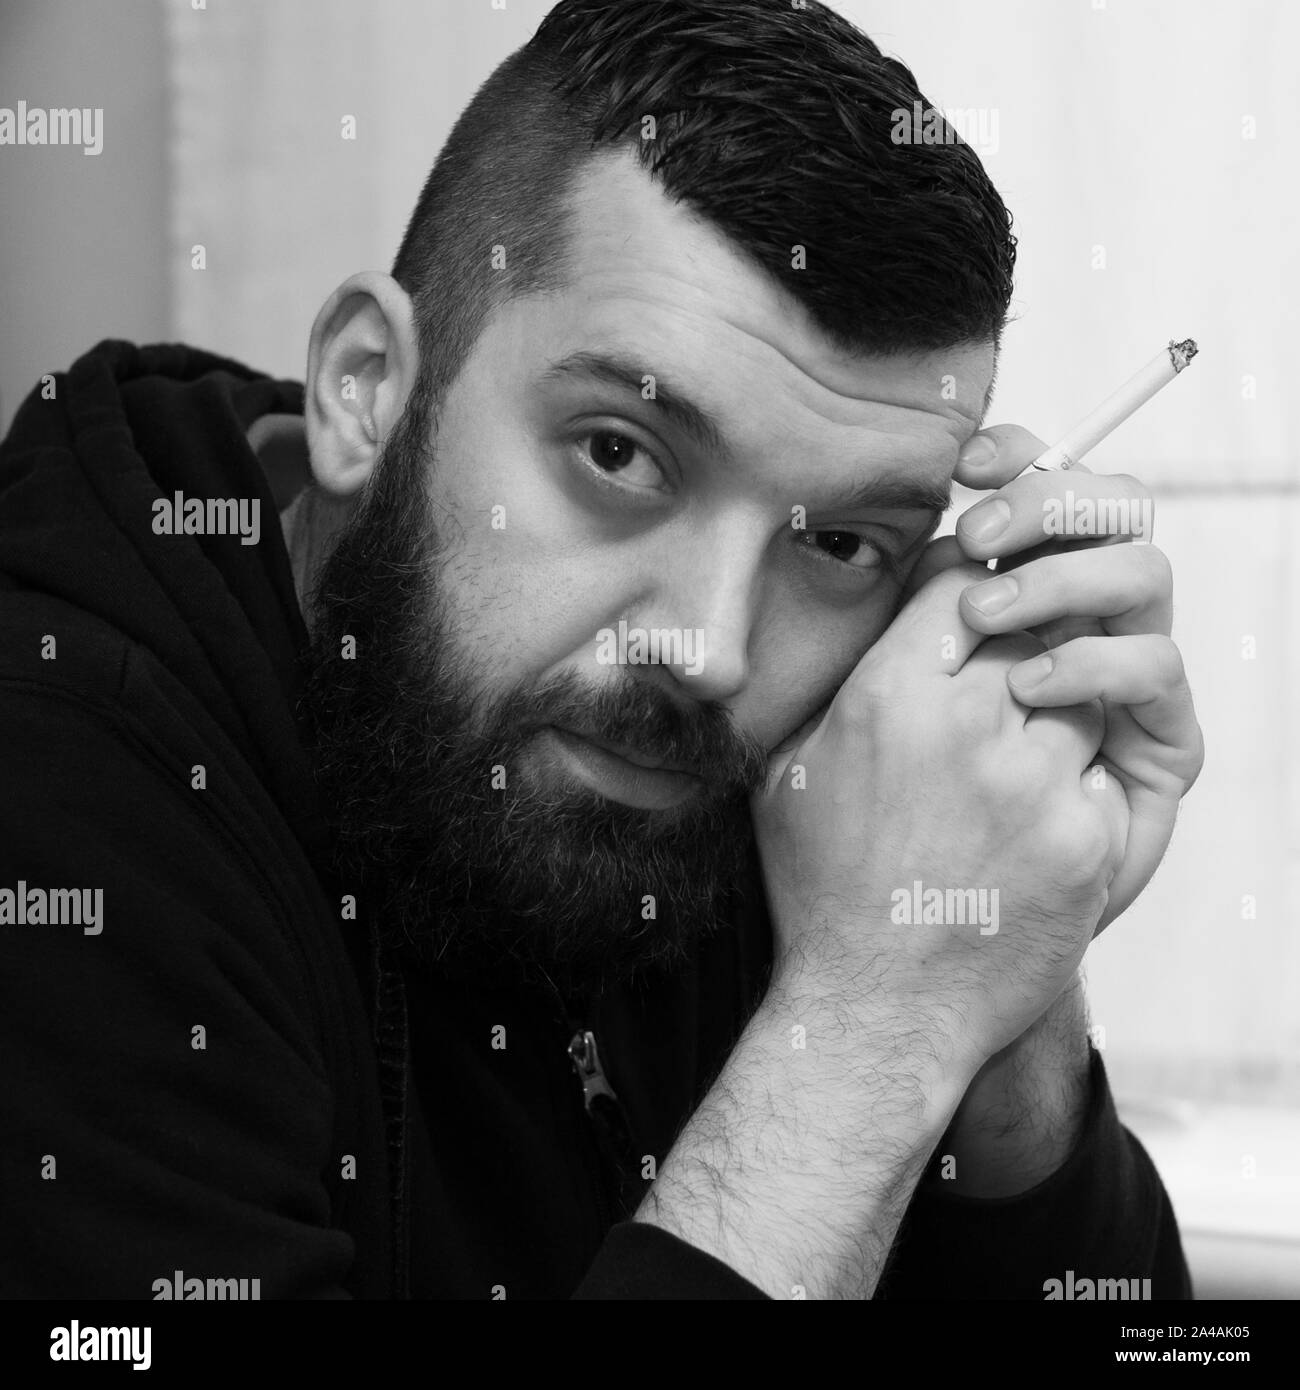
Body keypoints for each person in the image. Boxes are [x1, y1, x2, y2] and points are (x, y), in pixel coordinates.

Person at [0, 0, 1202, 1299]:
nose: (714, 648)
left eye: (843, 541)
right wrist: (872, 1022)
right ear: (365, 387)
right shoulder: (56, 775)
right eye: (619, 454)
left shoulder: (755, 752)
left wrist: (1011, 963)